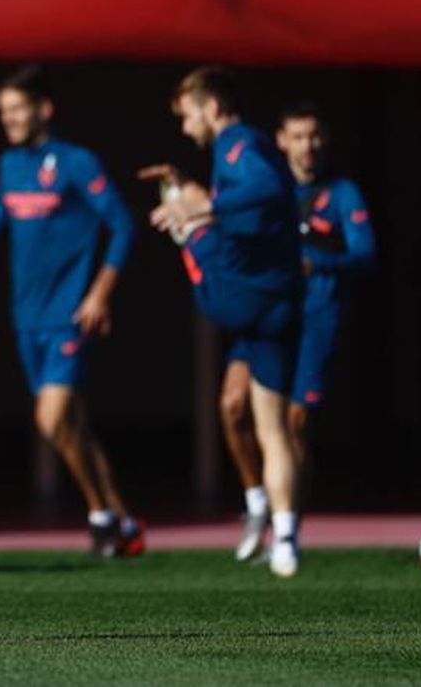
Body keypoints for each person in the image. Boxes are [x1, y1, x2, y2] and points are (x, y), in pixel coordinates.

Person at [0, 65, 143, 557]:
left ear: (44, 108)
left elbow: (123, 225)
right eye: (4, 111)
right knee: (73, 427)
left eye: (18, 109)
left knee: (51, 419)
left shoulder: (77, 162)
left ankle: (100, 516)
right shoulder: (9, 164)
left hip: (68, 314)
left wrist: (99, 293)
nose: (10, 119)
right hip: (27, 317)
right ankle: (124, 523)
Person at [140, 67, 305, 578]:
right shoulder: (237, 150)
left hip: (243, 295)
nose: (186, 127)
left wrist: (197, 208)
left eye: (188, 115)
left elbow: (268, 184)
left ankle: (186, 232)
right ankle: (285, 538)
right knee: (269, 428)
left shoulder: (238, 144)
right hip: (278, 302)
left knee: (188, 229)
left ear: (212, 108)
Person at [221, 102, 376, 562]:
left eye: (314, 136)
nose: (307, 146)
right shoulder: (269, 187)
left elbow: (365, 256)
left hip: (315, 316)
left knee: (295, 423)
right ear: (282, 141)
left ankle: (288, 528)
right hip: (268, 312)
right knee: (232, 406)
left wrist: (318, 262)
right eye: (298, 137)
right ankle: (257, 503)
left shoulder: (342, 193)